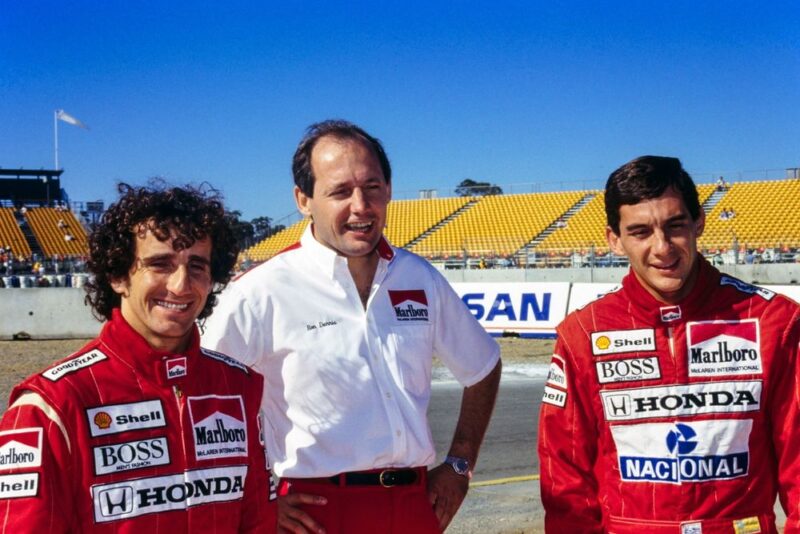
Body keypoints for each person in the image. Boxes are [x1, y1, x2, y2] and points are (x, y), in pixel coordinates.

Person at [202, 120, 501, 534]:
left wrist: (459, 463)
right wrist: (256, 497)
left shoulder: (419, 277)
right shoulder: (260, 290)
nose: (361, 206)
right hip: (313, 511)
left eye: (372, 187)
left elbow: (483, 364)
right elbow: (206, 398)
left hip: (412, 506)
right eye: (340, 191)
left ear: (389, 190)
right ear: (303, 199)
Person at [538, 156, 800, 533]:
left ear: (698, 223)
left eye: (675, 226)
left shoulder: (774, 322)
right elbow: (565, 476)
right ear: (614, 239)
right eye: (641, 232)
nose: (662, 248)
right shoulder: (582, 333)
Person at [0, 183, 276, 532]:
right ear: (117, 275)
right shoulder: (50, 405)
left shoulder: (239, 385)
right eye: (160, 264)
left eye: (196, 266)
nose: (181, 285)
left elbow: (258, 522)